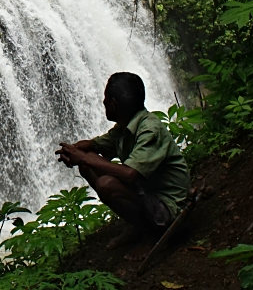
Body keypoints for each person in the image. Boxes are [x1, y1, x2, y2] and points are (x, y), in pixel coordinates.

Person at [55, 71, 190, 249]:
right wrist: (73, 151)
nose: (103, 102)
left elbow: (130, 174)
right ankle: (138, 225)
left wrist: (84, 158)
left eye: (105, 98)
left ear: (113, 103)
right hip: (149, 195)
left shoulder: (149, 129)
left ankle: (151, 233)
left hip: (168, 207)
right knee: (88, 165)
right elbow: (93, 145)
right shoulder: (126, 126)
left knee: (106, 183)